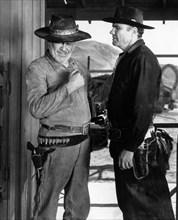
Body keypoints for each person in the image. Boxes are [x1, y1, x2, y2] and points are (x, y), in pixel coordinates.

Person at [102, 6, 175, 220]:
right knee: (132, 209)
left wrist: (131, 147)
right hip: (127, 145)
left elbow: (143, 107)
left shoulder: (142, 59)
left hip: (136, 150)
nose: (112, 32)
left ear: (134, 31)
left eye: (117, 27)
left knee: (146, 211)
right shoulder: (128, 57)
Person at [26, 14, 93, 220]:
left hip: (83, 143)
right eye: (59, 42)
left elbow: (92, 97)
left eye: (69, 42)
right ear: (49, 41)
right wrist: (69, 87)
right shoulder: (38, 68)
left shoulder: (79, 66)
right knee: (46, 206)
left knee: (79, 207)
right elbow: (36, 109)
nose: (65, 47)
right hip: (57, 144)